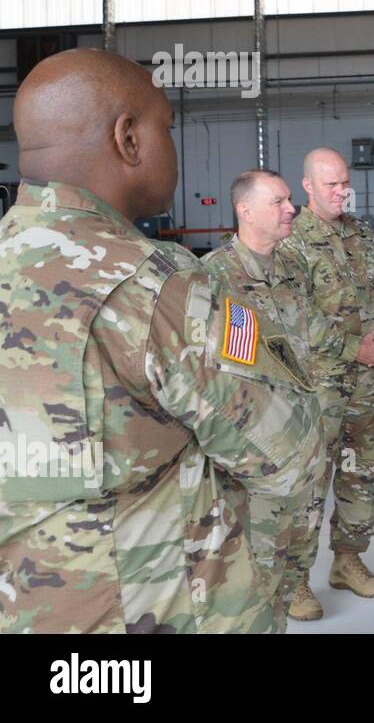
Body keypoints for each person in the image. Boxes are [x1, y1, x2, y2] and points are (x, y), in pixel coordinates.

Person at [0, 48, 322, 633]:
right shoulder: (162, 289)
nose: (173, 146)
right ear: (128, 139)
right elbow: (290, 451)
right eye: (166, 128)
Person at [280, 148, 374, 621]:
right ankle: (295, 582)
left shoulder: (361, 233)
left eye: (344, 183)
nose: (341, 192)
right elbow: (295, 316)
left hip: (369, 387)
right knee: (311, 483)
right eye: (330, 185)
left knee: (361, 477)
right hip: (321, 389)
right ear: (307, 185)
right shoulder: (292, 241)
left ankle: (348, 561)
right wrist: (356, 348)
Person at [203, 169, 325, 628]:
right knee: (259, 571)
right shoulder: (215, 276)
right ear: (245, 210)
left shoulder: (294, 267)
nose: (290, 208)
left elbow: (308, 342)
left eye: (289, 199)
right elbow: (210, 378)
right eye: (278, 201)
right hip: (258, 456)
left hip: (307, 441)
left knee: (299, 553)